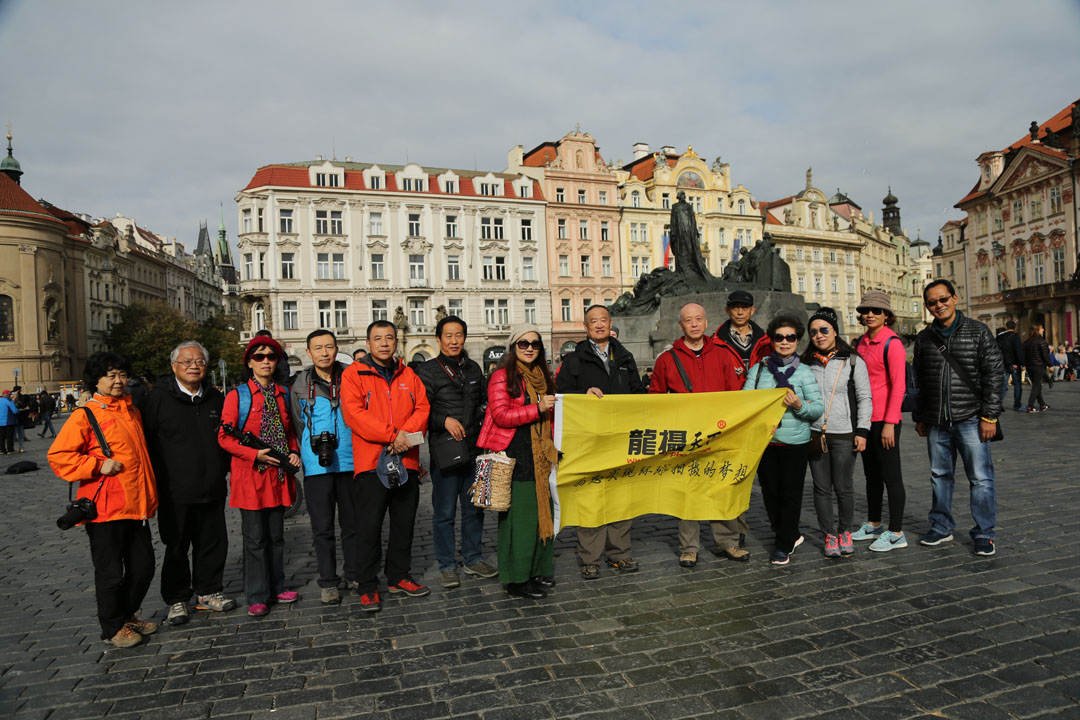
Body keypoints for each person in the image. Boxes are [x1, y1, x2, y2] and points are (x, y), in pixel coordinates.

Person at [47, 352, 159, 648]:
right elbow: (59, 456)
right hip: (105, 509)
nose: (118, 381)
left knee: (143, 567)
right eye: (111, 375)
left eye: (122, 374)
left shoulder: (132, 411)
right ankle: (112, 627)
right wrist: (97, 465)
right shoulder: (86, 414)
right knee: (110, 574)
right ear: (96, 381)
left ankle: (126, 615)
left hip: (136, 506)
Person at [139, 341, 235, 626]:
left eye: (200, 361)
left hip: (212, 486)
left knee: (212, 543)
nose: (194, 366)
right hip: (174, 490)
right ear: (174, 366)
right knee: (176, 546)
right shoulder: (157, 399)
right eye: (187, 362)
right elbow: (146, 443)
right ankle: (177, 598)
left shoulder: (216, 398)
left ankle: (209, 591)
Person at [340, 321, 431, 612]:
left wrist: (404, 438)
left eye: (389, 338)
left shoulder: (409, 374)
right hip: (370, 463)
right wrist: (393, 436)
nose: (384, 343)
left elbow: (423, 409)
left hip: (406, 461)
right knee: (368, 528)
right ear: (368, 344)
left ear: (395, 342)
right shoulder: (353, 374)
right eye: (377, 338)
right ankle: (367, 585)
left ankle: (399, 576)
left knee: (404, 524)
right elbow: (355, 415)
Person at [649, 302, 749, 566]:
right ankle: (689, 547)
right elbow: (656, 399)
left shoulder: (723, 355)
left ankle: (728, 542)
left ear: (706, 323)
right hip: (686, 437)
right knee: (688, 492)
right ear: (680, 325)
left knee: (722, 488)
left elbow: (736, 395)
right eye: (688, 320)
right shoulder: (666, 359)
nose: (694, 324)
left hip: (720, 433)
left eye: (698, 319)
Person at [912, 279, 1003, 556]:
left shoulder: (978, 331)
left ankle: (984, 533)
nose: (938, 305)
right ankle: (941, 526)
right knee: (939, 476)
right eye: (932, 302)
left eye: (943, 299)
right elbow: (919, 381)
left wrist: (989, 416)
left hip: (971, 418)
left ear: (955, 298)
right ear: (927, 306)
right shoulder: (924, 338)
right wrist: (920, 416)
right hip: (937, 421)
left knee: (981, 478)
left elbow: (995, 374)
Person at [556, 304, 646, 579]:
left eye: (603, 320)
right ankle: (590, 558)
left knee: (621, 498)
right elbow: (561, 393)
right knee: (591, 499)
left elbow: (638, 393)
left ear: (610, 323)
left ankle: (620, 554)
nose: (598, 325)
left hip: (620, 438)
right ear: (585, 327)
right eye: (593, 321)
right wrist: (583, 393)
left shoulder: (625, 356)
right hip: (589, 439)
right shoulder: (574, 359)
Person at [217, 336, 301, 618]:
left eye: (271, 357)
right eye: (259, 357)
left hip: (277, 478)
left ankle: (278, 587)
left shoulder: (282, 393)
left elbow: (290, 431)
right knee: (255, 540)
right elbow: (224, 437)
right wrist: (255, 455)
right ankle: (257, 595)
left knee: (276, 538)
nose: (266, 361)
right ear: (250, 362)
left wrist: (293, 452)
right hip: (250, 478)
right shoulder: (237, 396)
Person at [477, 323, 557, 599]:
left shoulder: (542, 375)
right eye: (523, 343)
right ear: (513, 347)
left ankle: (536, 571)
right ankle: (517, 579)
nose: (530, 348)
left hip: (540, 456)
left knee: (541, 515)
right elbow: (500, 415)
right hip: (515, 455)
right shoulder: (501, 376)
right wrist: (537, 408)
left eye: (535, 344)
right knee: (521, 520)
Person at [416, 316, 494, 589]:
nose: (453, 340)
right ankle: (447, 565)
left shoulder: (473, 368)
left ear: (464, 338)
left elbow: (483, 401)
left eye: (458, 335)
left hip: (474, 450)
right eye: (448, 336)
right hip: (446, 452)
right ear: (438, 339)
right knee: (444, 513)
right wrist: (444, 420)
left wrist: (482, 420)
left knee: (474, 509)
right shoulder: (427, 371)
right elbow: (420, 411)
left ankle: (473, 558)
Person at [743, 315, 823, 565]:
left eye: (791, 337)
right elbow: (745, 402)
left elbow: (817, 408)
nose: (785, 342)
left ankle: (783, 544)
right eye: (779, 337)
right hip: (766, 442)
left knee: (790, 494)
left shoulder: (804, 372)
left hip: (795, 443)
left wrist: (799, 405)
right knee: (770, 493)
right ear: (772, 340)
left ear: (797, 340)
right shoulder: (758, 370)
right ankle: (789, 533)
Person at [288, 330, 356, 605]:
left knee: (352, 525)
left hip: (350, 460)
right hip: (317, 466)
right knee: (322, 528)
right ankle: (328, 581)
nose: (324, 352)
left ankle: (354, 573)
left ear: (337, 349)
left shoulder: (351, 376)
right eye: (318, 348)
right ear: (309, 352)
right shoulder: (300, 383)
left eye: (329, 347)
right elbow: (298, 423)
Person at [802, 308, 873, 558]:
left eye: (824, 330)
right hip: (814, 433)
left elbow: (864, 397)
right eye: (813, 332)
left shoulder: (852, 360)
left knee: (843, 487)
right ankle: (829, 535)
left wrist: (862, 430)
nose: (819, 336)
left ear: (834, 331)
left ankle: (845, 531)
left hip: (844, 433)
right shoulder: (805, 363)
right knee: (821, 488)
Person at [851, 290, 910, 552]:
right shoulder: (862, 342)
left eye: (876, 310)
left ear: (886, 315)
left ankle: (896, 532)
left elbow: (899, 386)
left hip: (886, 419)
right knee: (871, 475)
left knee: (891, 476)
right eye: (866, 310)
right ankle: (874, 523)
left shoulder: (892, 343)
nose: (870, 314)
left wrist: (890, 423)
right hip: (866, 419)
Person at [712, 289, 772, 547]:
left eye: (744, 307)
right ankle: (735, 529)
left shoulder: (767, 341)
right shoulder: (716, 341)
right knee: (731, 476)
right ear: (727, 310)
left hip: (761, 414)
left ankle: (775, 526)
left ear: (752, 310)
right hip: (731, 416)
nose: (739, 311)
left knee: (764, 478)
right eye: (735, 307)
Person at [1022, 324, 1051, 413]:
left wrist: (1024, 364)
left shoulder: (1027, 342)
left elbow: (1023, 355)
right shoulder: (1041, 341)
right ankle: (1030, 406)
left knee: (1037, 385)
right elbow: (1045, 355)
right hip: (1039, 366)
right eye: (1042, 328)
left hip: (1030, 367)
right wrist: (1050, 365)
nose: (1043, 329)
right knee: (1036, 386)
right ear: (1038, 330)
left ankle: (1042, 404)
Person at [996, 320, 1024, 411]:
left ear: (1006, 327)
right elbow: (1019, 351)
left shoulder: (1000, 337)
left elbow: (997, 351)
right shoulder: (1016, 337)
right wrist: (1021, 363)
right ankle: (1017, 405)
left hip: (1004, 364)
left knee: (1003, 385)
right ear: (1015, 328)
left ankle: (999, 404)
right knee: (1017, 385)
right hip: (1015, 364)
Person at [0, 390, 17, 454]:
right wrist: (19, 410)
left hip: (0, 422)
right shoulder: (9, 401)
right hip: (8, 421)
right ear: (8, 395)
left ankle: (2, 450)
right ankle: (10, 450)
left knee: (2, 437)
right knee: (9, 436)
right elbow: (14, 411)